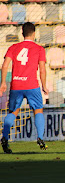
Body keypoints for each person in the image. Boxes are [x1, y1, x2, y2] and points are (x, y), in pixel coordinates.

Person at [0, 22, 48, 154]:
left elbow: (4, 65)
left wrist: (3, 82)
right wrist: (44, 85)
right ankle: (40, 137)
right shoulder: (39, 49)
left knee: (13, 112)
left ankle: (4, 137)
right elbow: (42, 70)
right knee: (38, 110)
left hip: (16, 84)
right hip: (32, 85)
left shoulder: (13, 47)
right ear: (34, 33)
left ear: (22, 33)